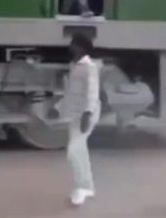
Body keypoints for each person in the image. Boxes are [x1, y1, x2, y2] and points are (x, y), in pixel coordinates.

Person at [50, 33, 101, 206]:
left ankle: (82, 187)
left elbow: (92, 92)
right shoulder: (74, 65)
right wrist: (57, 108)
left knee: (73, 150)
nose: (71, 47)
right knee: (80, 150)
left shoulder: (90, 67)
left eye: (74, 45)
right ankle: (88, 186)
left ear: (83, 48)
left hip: (86, 114)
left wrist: (88, 113)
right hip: (73, 113)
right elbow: (70, 92)